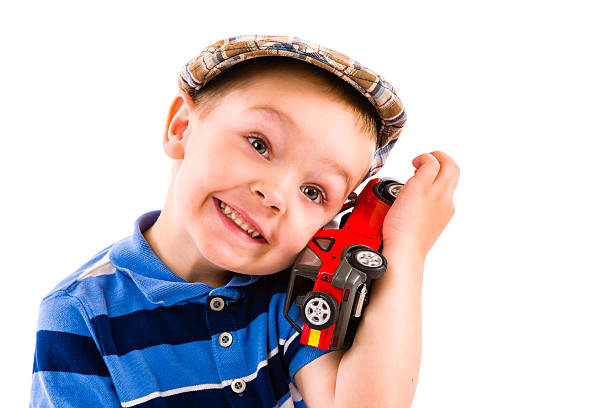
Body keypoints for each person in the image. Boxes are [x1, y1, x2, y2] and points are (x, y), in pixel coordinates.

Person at [30, 35, 459, 407]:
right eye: (259, 143)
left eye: (313, 192)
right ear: (182, 128)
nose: (273, 194)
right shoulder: (81, 313)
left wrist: (405, 248)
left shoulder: (294, 294)